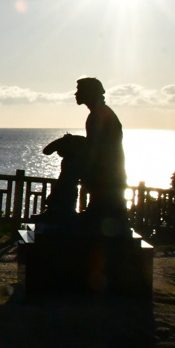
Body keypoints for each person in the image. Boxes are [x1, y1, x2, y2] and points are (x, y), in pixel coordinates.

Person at [74, 77, 128, 232]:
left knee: (106, 215)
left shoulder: (100, 115)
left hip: (107, 176)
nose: (76, 94)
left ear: (90, 93)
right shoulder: (99, 114)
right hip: (106, 176)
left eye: (79, 90)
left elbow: (99, 147)